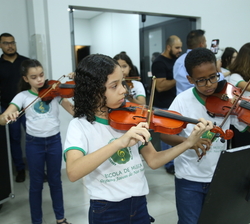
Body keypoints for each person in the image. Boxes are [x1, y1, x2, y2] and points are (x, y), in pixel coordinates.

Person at [63, 54, 213, 224]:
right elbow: (73, 172)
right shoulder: (80, 126)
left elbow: (154, 160)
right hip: (106, 209)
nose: (124, 90)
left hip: (139, 205)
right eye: (114, 86)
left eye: (122, 83)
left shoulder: (130, 119)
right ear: (94, 91)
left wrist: (188, 143)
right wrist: (120, 142)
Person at [160, 48, 250, 224]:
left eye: (213, 77)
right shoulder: (182, 101)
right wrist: (189, 142)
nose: (209, 84)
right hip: (189, 178)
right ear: (190, 79)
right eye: (201, 80)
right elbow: (164, 135)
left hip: (219, 177)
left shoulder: (229, 100)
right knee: (189, 222)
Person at [0, 59, 73, 224]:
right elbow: (2, 119)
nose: (40, 80)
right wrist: (8, 116)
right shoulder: (22, 96)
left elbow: (73, 111)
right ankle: (36, 221)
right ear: (26, 79)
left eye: (41, 75)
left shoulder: (54, 92)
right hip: (34, 144)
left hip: (54, 141)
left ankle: (60, 219)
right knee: (36, 184)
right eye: (34, 77)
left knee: (55, 181)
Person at [151, 35, 182, 174]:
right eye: (177, 47)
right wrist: (178, 78)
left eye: (181, 47)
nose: (179, 50)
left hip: (175, 104)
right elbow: (160, 86)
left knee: (177, 134)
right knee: (167, 137)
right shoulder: (159, 63)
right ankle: (169, 165)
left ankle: (175, 161)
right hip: (163, 105)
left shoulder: (177, 61)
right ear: (168, 47)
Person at [0, 32, 29, 182]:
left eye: (12, 42)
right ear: (0, 45)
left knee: (32, 138)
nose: (10, 46)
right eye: (6, 43)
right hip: (8, 108)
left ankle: (36, 168)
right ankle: (20, 170)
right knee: (14, 139)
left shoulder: (26, 62)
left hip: (27, 108)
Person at [173, 29, 225, 95]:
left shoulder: (178, 61)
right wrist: (218, 69)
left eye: (212, 76)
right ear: (201, 44)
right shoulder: (197, 62)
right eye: (205, 42)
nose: (208, 84)